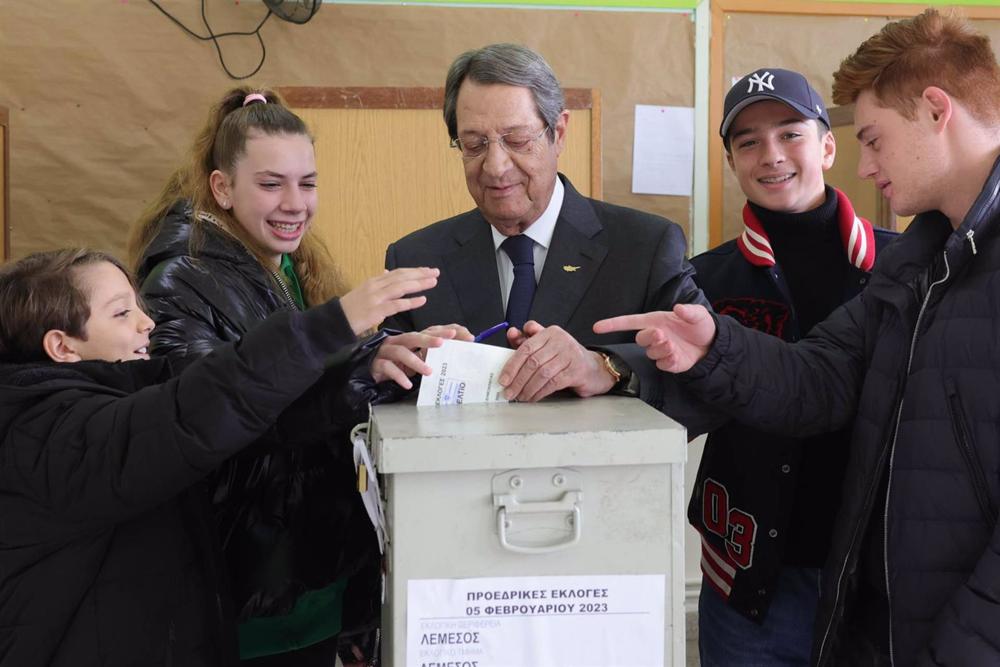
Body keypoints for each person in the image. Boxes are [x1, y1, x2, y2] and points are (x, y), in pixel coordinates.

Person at [596, 8, 1000, 665]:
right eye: (749, 141)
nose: (867, 167)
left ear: (934, 109)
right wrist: (711, 346)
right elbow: (819, 378)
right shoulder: (917, 264)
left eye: (873, 139)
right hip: (867, 609)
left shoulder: (899, 255)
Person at [128, 88, 445, 665]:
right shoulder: (178, 281)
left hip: (306, 573)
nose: (295, 203)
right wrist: (353, 364)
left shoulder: (287, 264)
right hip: (244, 590)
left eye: (308, 182)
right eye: (271, 184)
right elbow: (215, 420)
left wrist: (387, 351)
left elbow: (308, 373)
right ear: (222, 188)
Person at [0, 249, 434, 667]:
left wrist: (362, 370)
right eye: (121, 313)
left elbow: (243, 409)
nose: (146, 323)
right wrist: (328, 327)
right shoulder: (45, 432)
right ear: (62, 346)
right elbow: (194, 409)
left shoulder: (122, 390)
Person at [689, 68, 895, 666]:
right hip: (749, 577)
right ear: (731, 161)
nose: (771, 155)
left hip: (873, 575)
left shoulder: (903, 267)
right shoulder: (701, 281)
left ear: (829, 145)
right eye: (748, 142)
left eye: (790, 134)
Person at [383, 43, 708, 403]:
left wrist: (607, 366)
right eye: (474, 145)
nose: (495, 166)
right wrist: (398, 364)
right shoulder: (415, 259)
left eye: (518, 141)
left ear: (560, 133)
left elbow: (706, 374)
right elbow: (373, 398)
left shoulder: (647, 247)